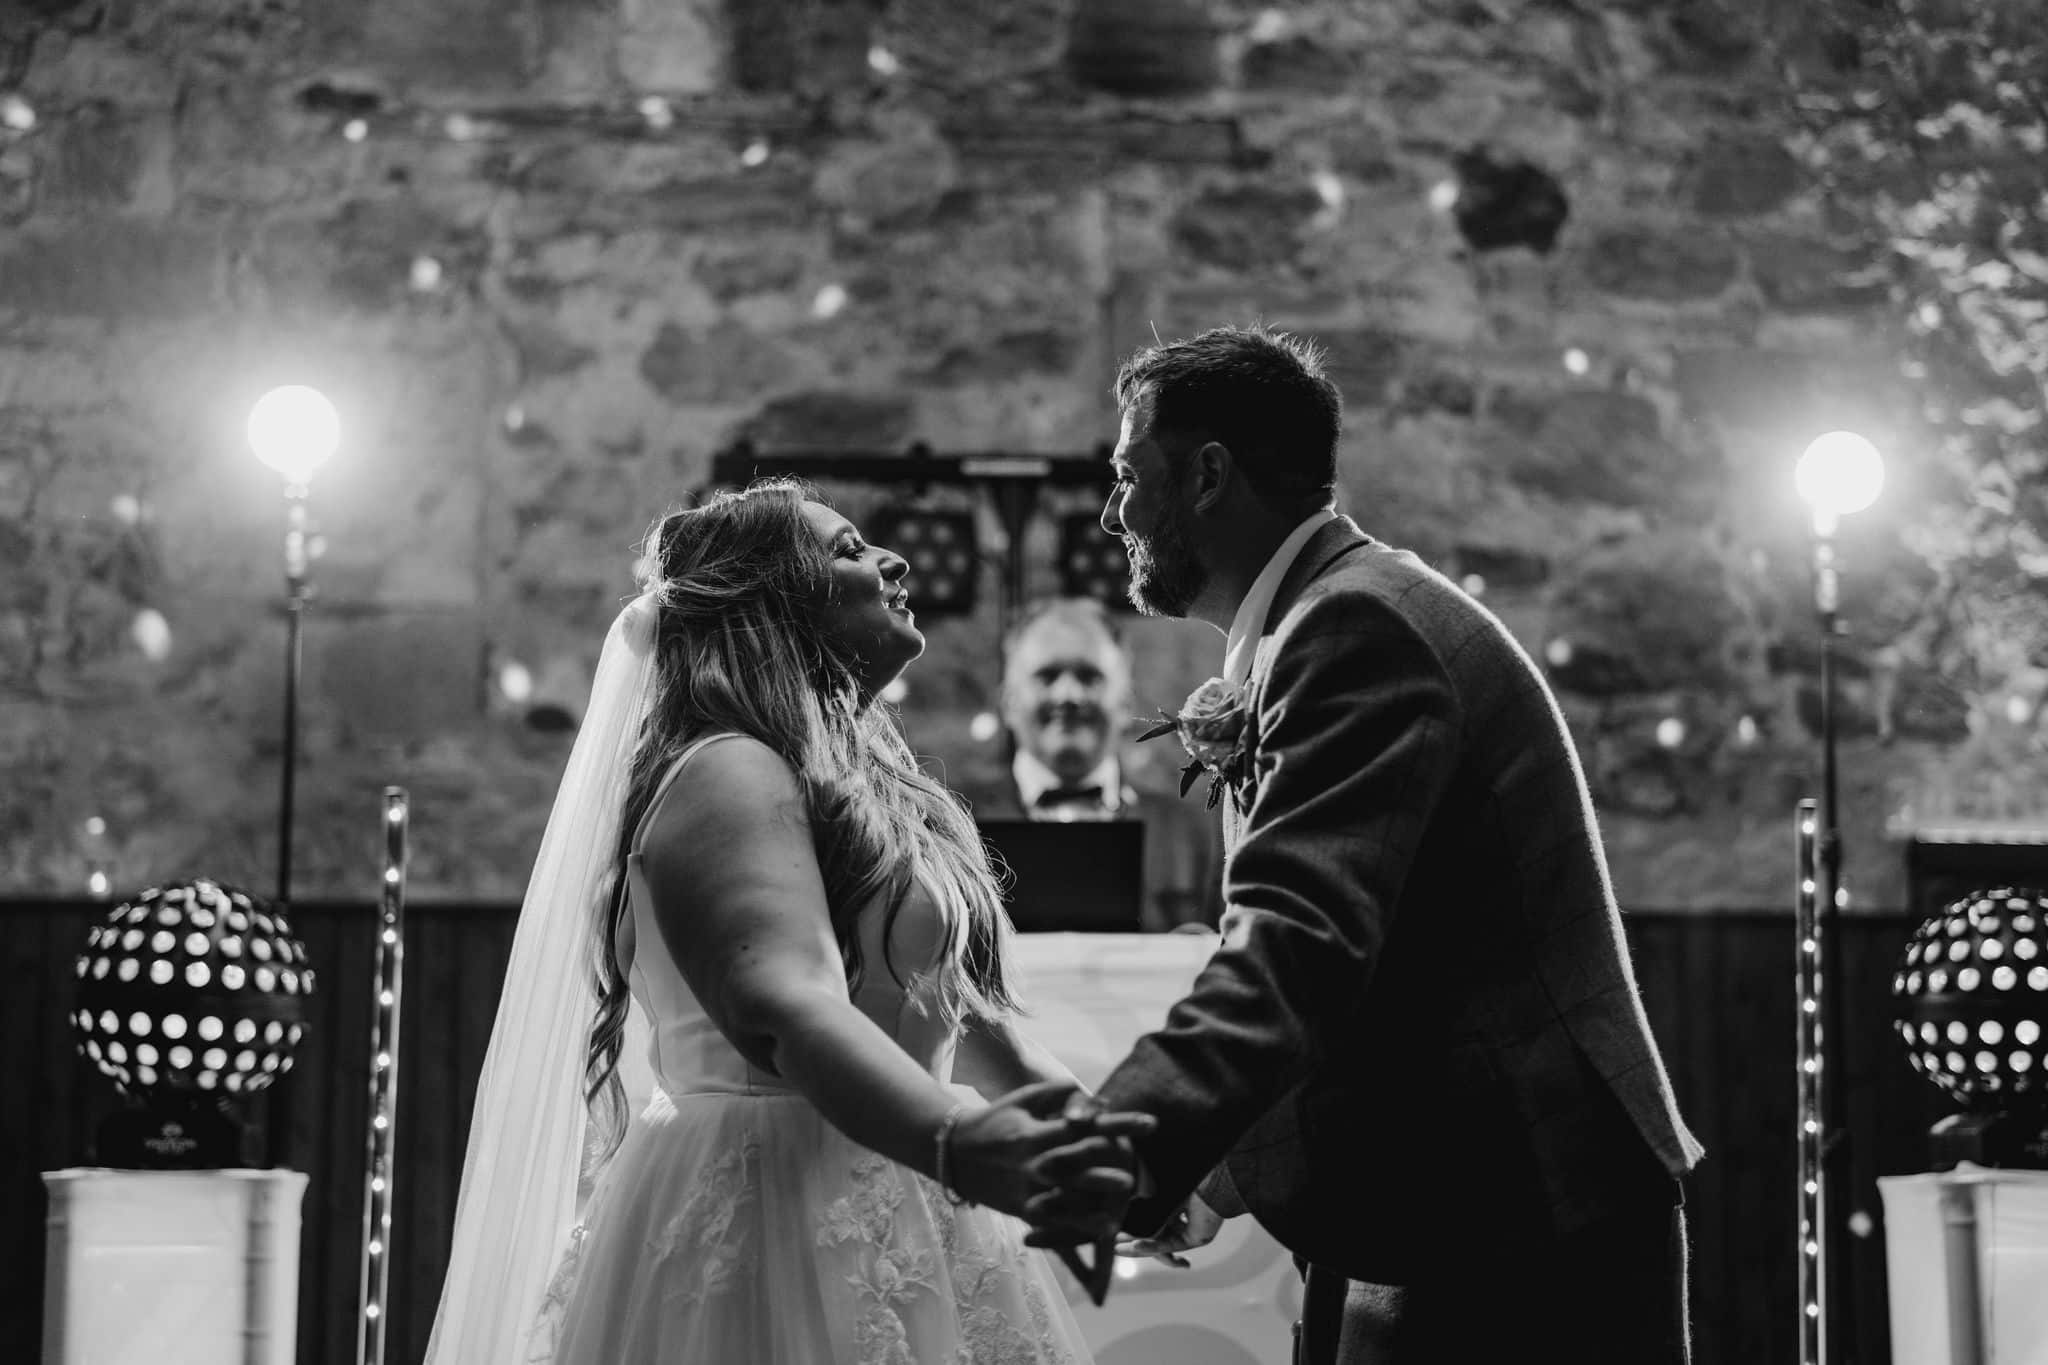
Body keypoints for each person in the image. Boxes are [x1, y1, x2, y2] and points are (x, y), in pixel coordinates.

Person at [1022, 325, 1705, 1364]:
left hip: (1516, 1215)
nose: (1114, 514)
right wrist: (1212, 1171)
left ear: (1207, 475)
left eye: (1127, 475)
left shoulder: (1355, 632)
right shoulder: (1331, 614)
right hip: (1444, 1187)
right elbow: (1380, 961)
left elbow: (1298, 941)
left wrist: (1124, 1151)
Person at [423, 479, 1149, 1365]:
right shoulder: (725, 768)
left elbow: (960, 1018)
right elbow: (786, 1003)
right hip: (773, 1213)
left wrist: (1108, 1151)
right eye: (848, 549)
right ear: (770, 608)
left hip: (904, 1206)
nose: (893, 561)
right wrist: (960, 1143)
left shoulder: (870, 784)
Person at [959, 597, 1223, 932]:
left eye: (1089, 676)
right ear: (1008, 702)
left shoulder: (1193, 832)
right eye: (1047, 675)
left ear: (1126, 701)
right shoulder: (955, 823)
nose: (1068, 694)